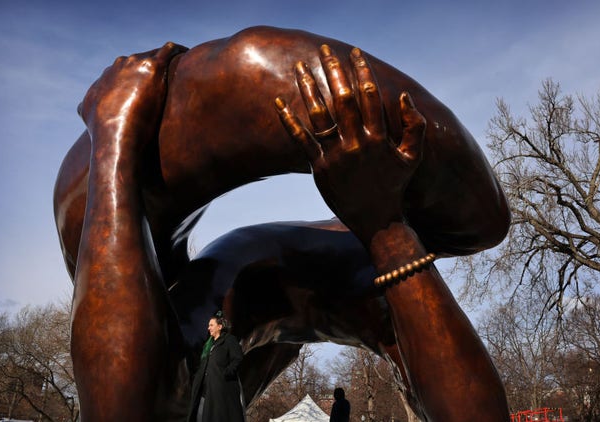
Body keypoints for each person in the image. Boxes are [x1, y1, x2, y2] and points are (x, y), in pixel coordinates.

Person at [58, 27, 511, 421]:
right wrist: (385, 228)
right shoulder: (370, 296)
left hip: (237, 288)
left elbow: (122, 411)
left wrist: (113, 136)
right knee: (483, 225)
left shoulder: (219, 308)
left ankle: (119, 152)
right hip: (265, 288)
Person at [188, 312, 244, 422]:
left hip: (221, 389)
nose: (208, 328)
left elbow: (237, 358)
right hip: (206, 390)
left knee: (220, 416)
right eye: (208, 325)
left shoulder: (229, 340)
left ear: (220, 326)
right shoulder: (209, 345)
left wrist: (226, 373)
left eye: (211, 325)